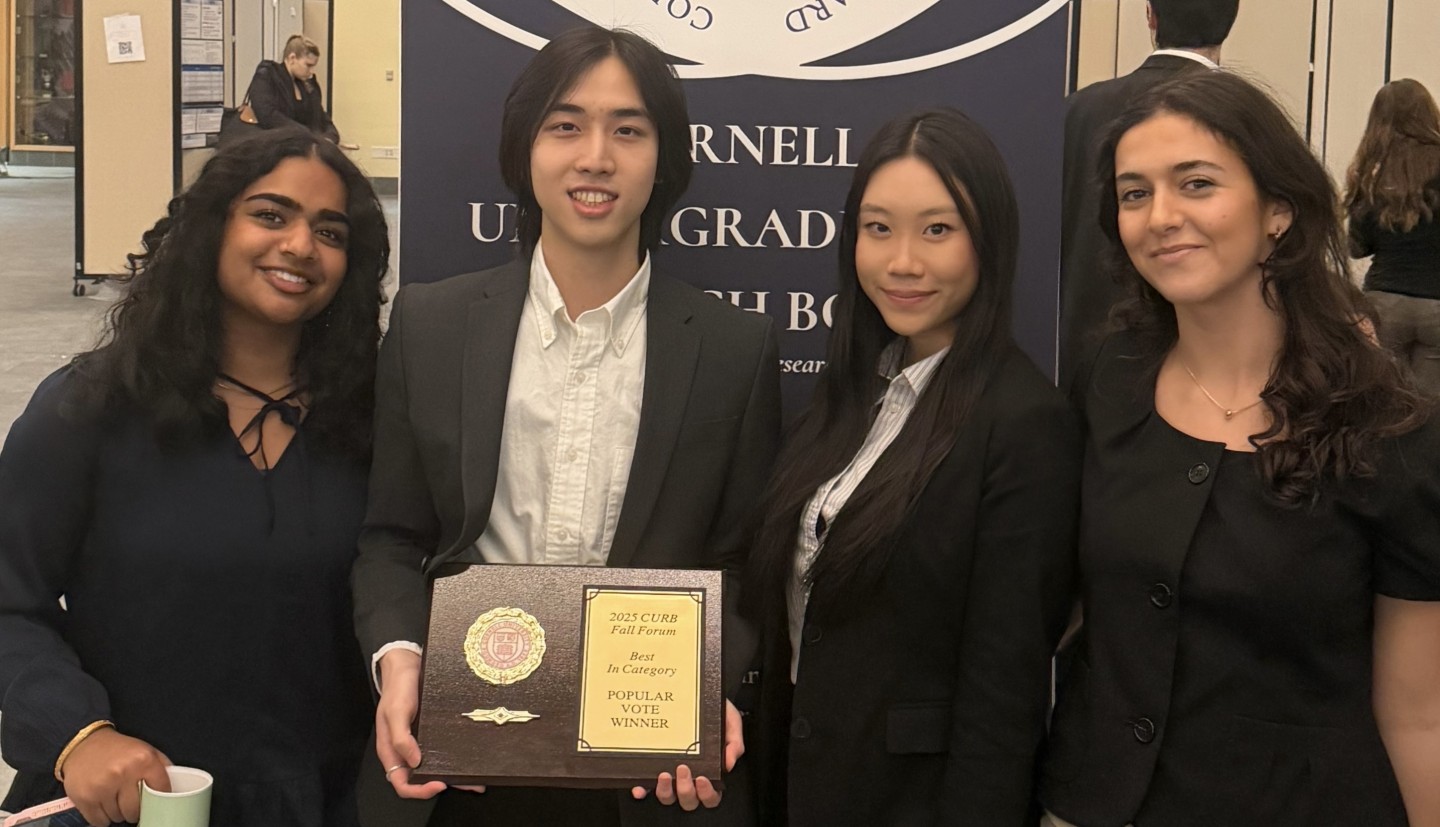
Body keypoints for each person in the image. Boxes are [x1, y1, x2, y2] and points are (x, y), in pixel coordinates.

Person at [351, 25, 780, 827]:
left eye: (628, 129)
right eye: (566, 125)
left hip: (645, 777)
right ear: (525, 150)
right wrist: (401, 658)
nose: (596, 157)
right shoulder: (432, 324)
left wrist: (711, 682)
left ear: (664, 158)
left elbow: (742, 565)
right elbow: (390, 538)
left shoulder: (731, 347)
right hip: (458, 759)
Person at [1040, 70, 1440, 827]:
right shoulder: (1108, 380)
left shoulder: (1391, 429)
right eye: (1134, 193)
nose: (1160, 216)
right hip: (1094, 801)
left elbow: (1420, 714)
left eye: (1196, 184)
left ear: (1278, 211)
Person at [0, 128, 391, 826]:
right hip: (134, 803)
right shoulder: (91, 407)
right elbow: (7, 599)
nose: (301, 245)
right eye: (270, 215)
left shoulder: (379, 420)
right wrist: (77, 735)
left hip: (330, 801)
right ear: (212, 228)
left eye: (330, 231)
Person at [744, 108, 1080, 826]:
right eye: (878, 228)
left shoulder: (1025, 422)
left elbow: (1005, 690)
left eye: (937, 229)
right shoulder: (848, 396)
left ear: (988, 240)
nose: (902, 261)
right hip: (797, 785)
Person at [1059, 0, 1240, 385]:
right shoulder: (1239, 114)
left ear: (1150, 16)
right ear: (1231, 19)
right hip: (1191, 361)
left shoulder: (1078, 109)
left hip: (1073, 348)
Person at [1344, 78, 1440, 395]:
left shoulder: (1369, 171)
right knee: (1430, 413)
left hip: (1384, 303)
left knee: (1384, 404)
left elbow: (1356, 248)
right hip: (1436, 305)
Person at [246, 35, 341, 144]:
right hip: (273, 147)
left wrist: (330, 136)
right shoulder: (267, 75)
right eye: (308, 65)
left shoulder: (307, 85)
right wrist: (305, 133)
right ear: (292, 58)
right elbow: (266, 114)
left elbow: (320, 116)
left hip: (302, 146)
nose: (311, 71)